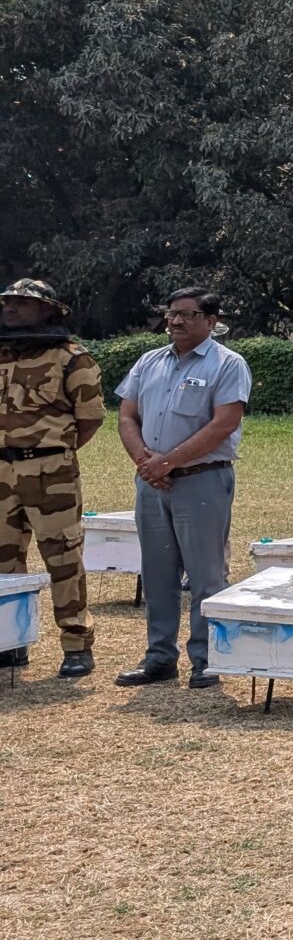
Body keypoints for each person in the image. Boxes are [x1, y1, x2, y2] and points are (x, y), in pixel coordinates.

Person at [112, 286, 253, 689]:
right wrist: (146, 463)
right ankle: (159, 658)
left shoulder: (228, 364)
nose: (175, 321)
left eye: (186, 314)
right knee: (156, 574)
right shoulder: (149, 361)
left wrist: (168, 461)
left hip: (202, 480)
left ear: (210, 321)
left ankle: (207, 659)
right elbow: (126, 416)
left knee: (206, 576)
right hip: (152, 483)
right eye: (171, 313)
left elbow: (224, 423)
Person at [0, 278, 104, 678]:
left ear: (48, 309)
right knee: (4, 561)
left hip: (50, 473)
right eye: (7, 302)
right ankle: (10, 641)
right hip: (1, 470)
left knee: (63, 557)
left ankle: (76, 644)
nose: (10, 308)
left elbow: (89, 420)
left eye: (21, 302)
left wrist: (51, 451)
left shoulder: (72, 359)